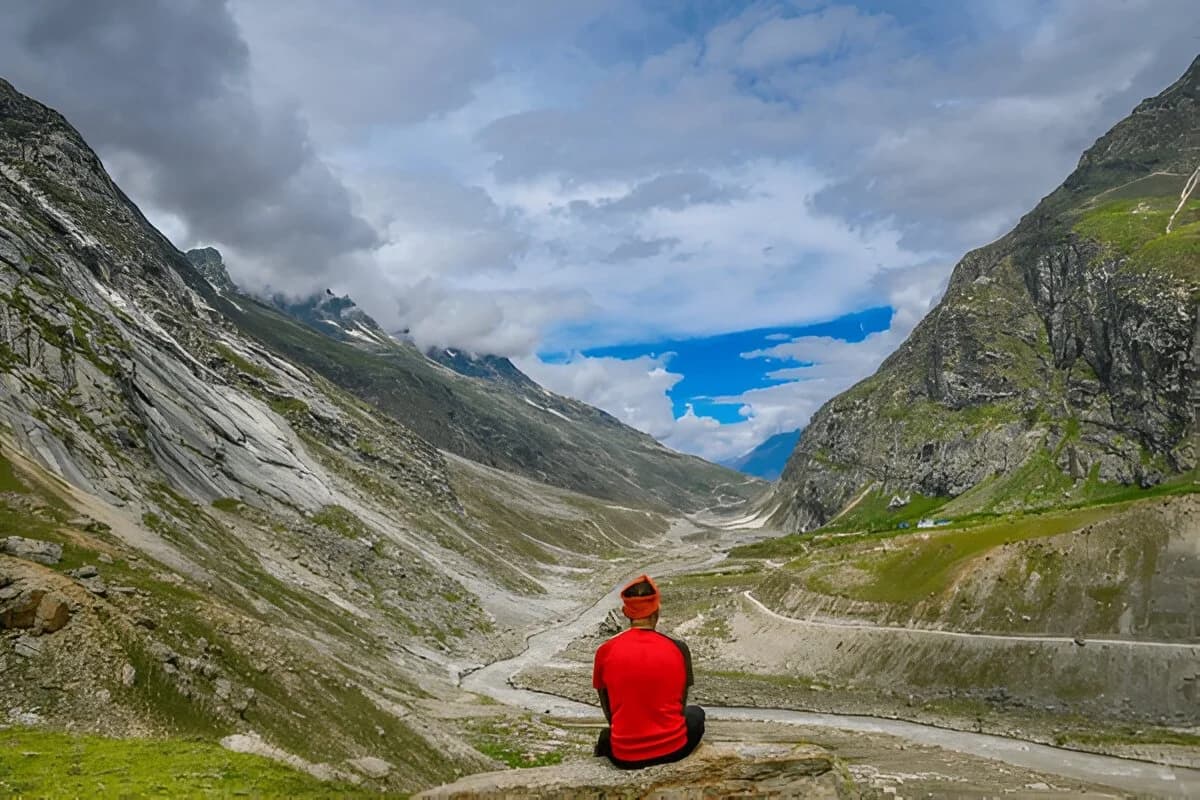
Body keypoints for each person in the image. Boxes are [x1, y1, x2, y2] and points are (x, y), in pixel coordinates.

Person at [592, 574, 705, 769]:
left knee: (606, 735)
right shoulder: (679, 648)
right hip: (674, 750)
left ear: (626, 613)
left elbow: (608, 708)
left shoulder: (605, 651)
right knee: (696, 714)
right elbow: (680, 703)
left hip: (624, 757)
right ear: (656, 611)